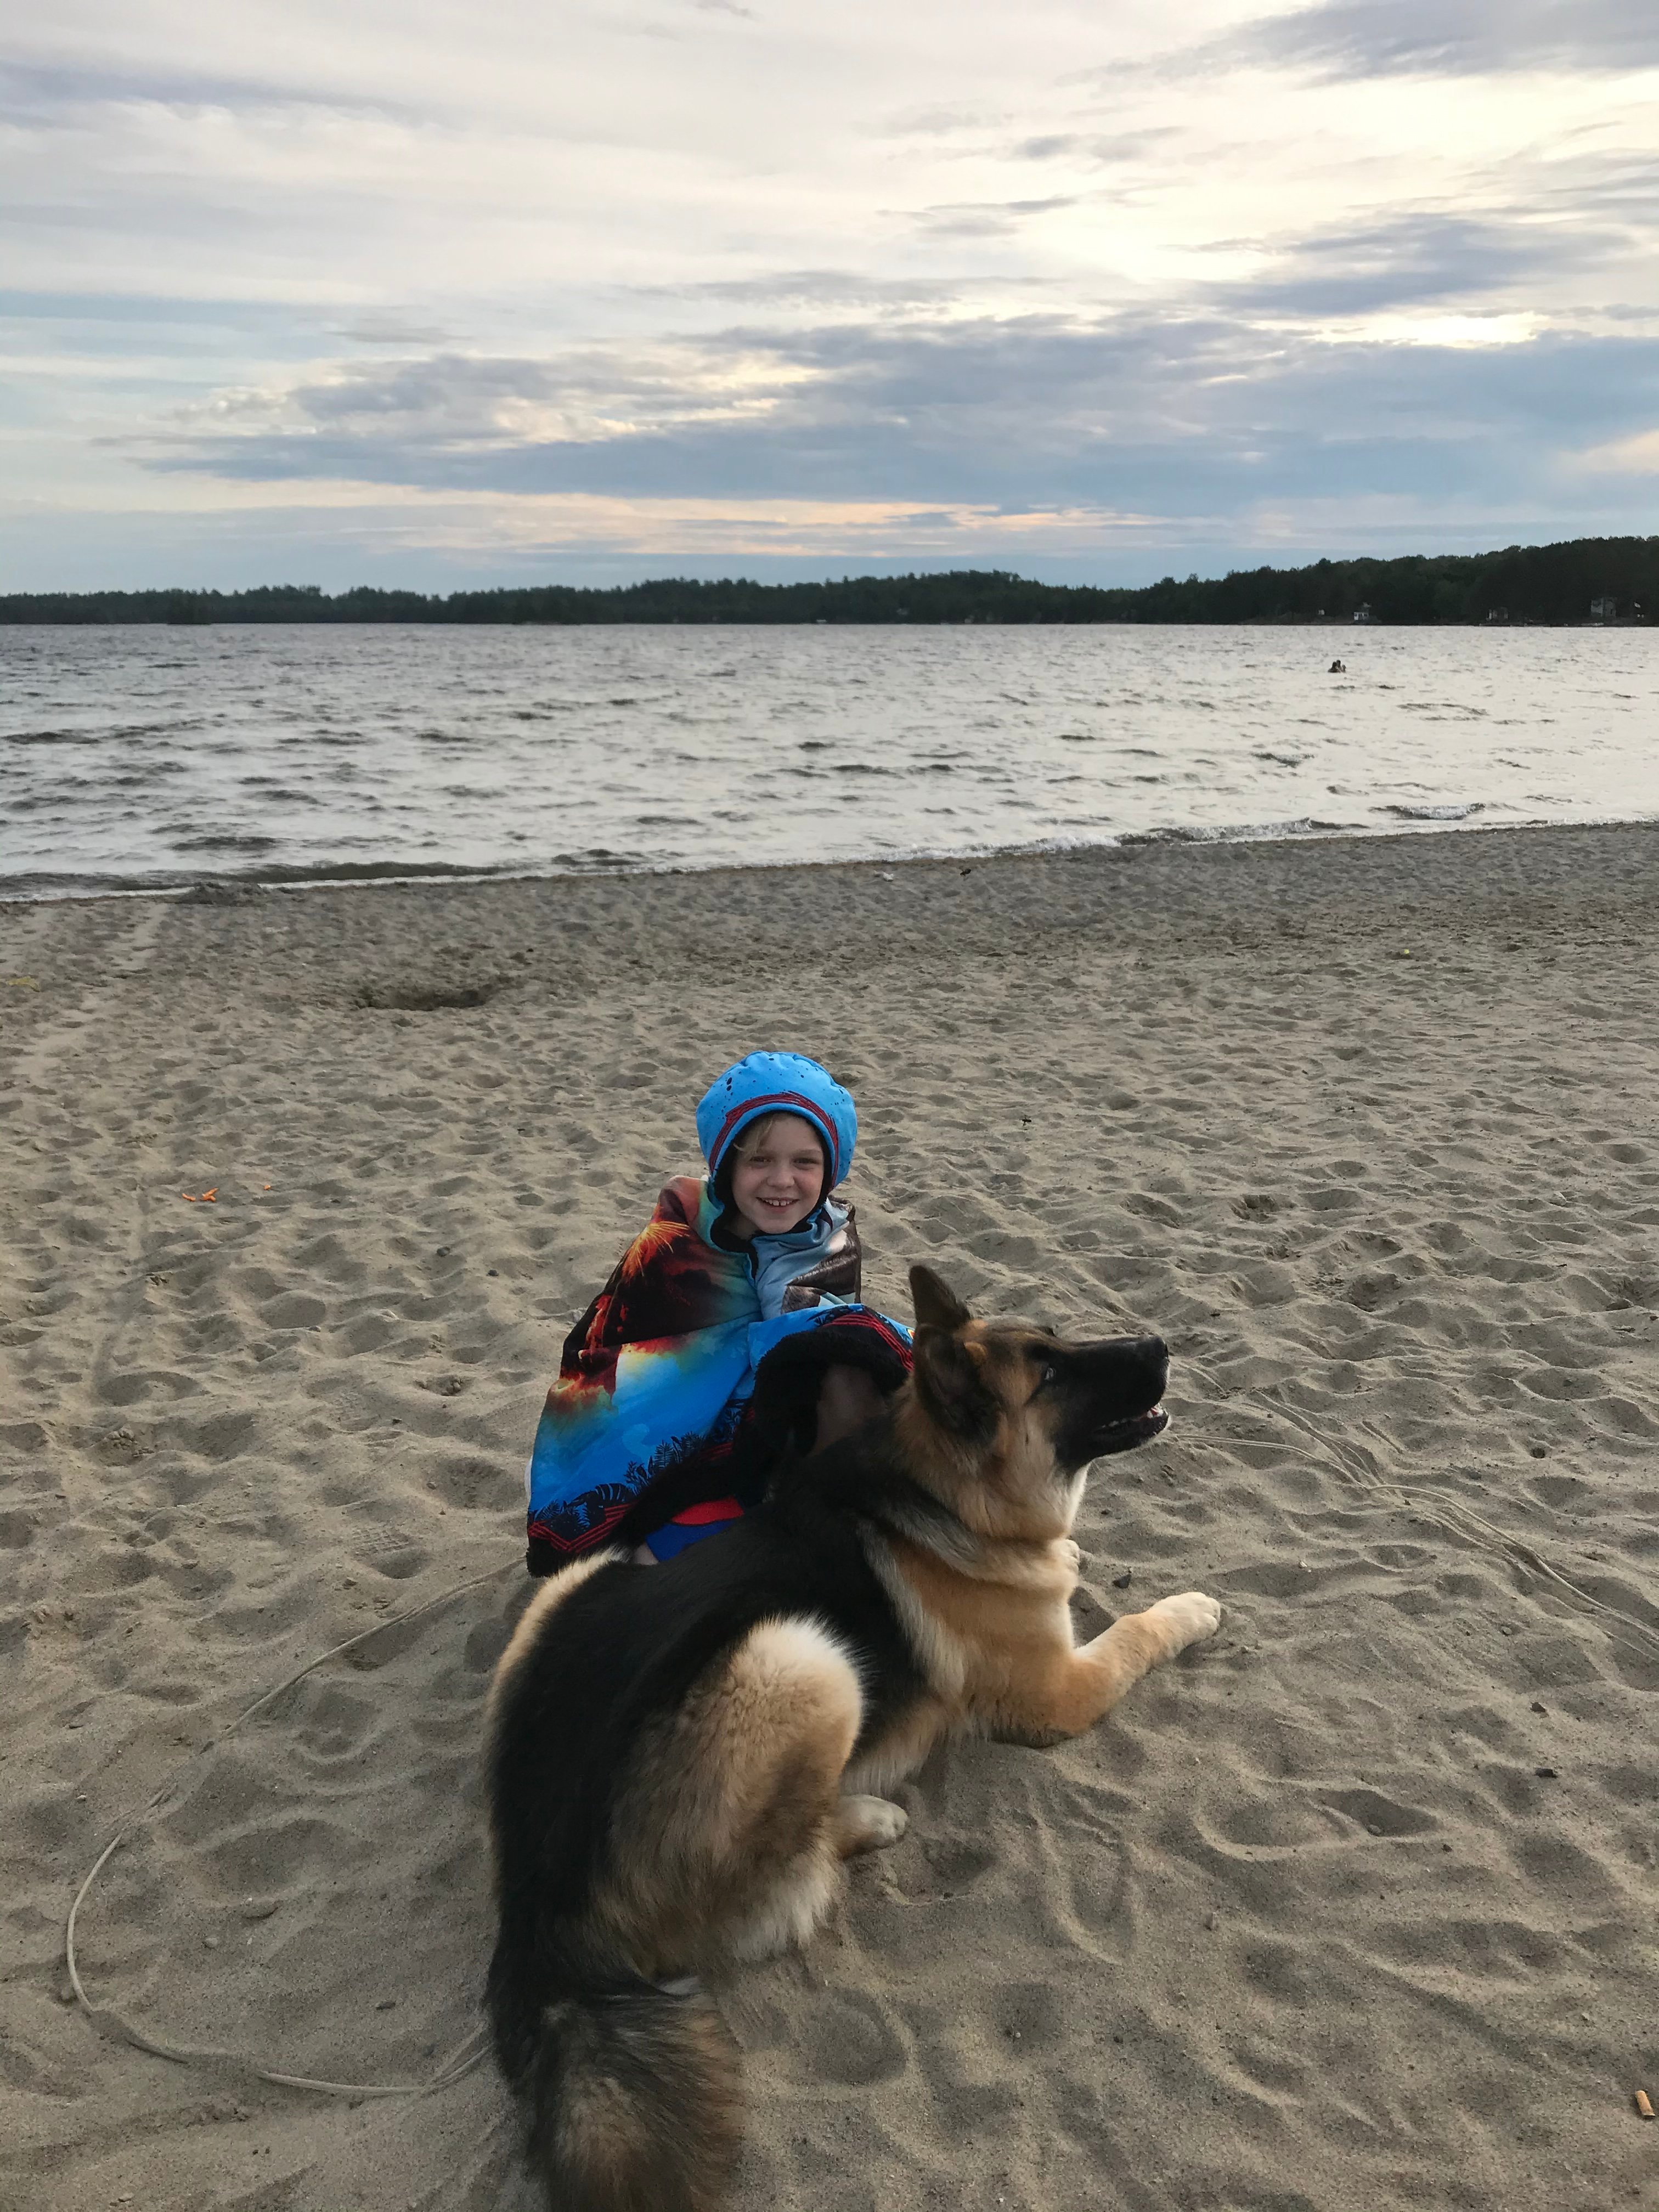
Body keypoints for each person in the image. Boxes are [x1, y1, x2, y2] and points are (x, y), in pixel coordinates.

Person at [523, 1052, 912, 1575]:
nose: (782, 1181)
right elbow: (616, 1362)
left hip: (762, 1437)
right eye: (759, 1160)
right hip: (663, 1447)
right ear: (727, 1163)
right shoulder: (677, 1243)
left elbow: (817, 1360)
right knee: (657, 1559)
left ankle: (837, 1520)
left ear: (830, 1169)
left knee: (849, 1354)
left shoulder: (828, 1242)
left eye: (805, 1162)